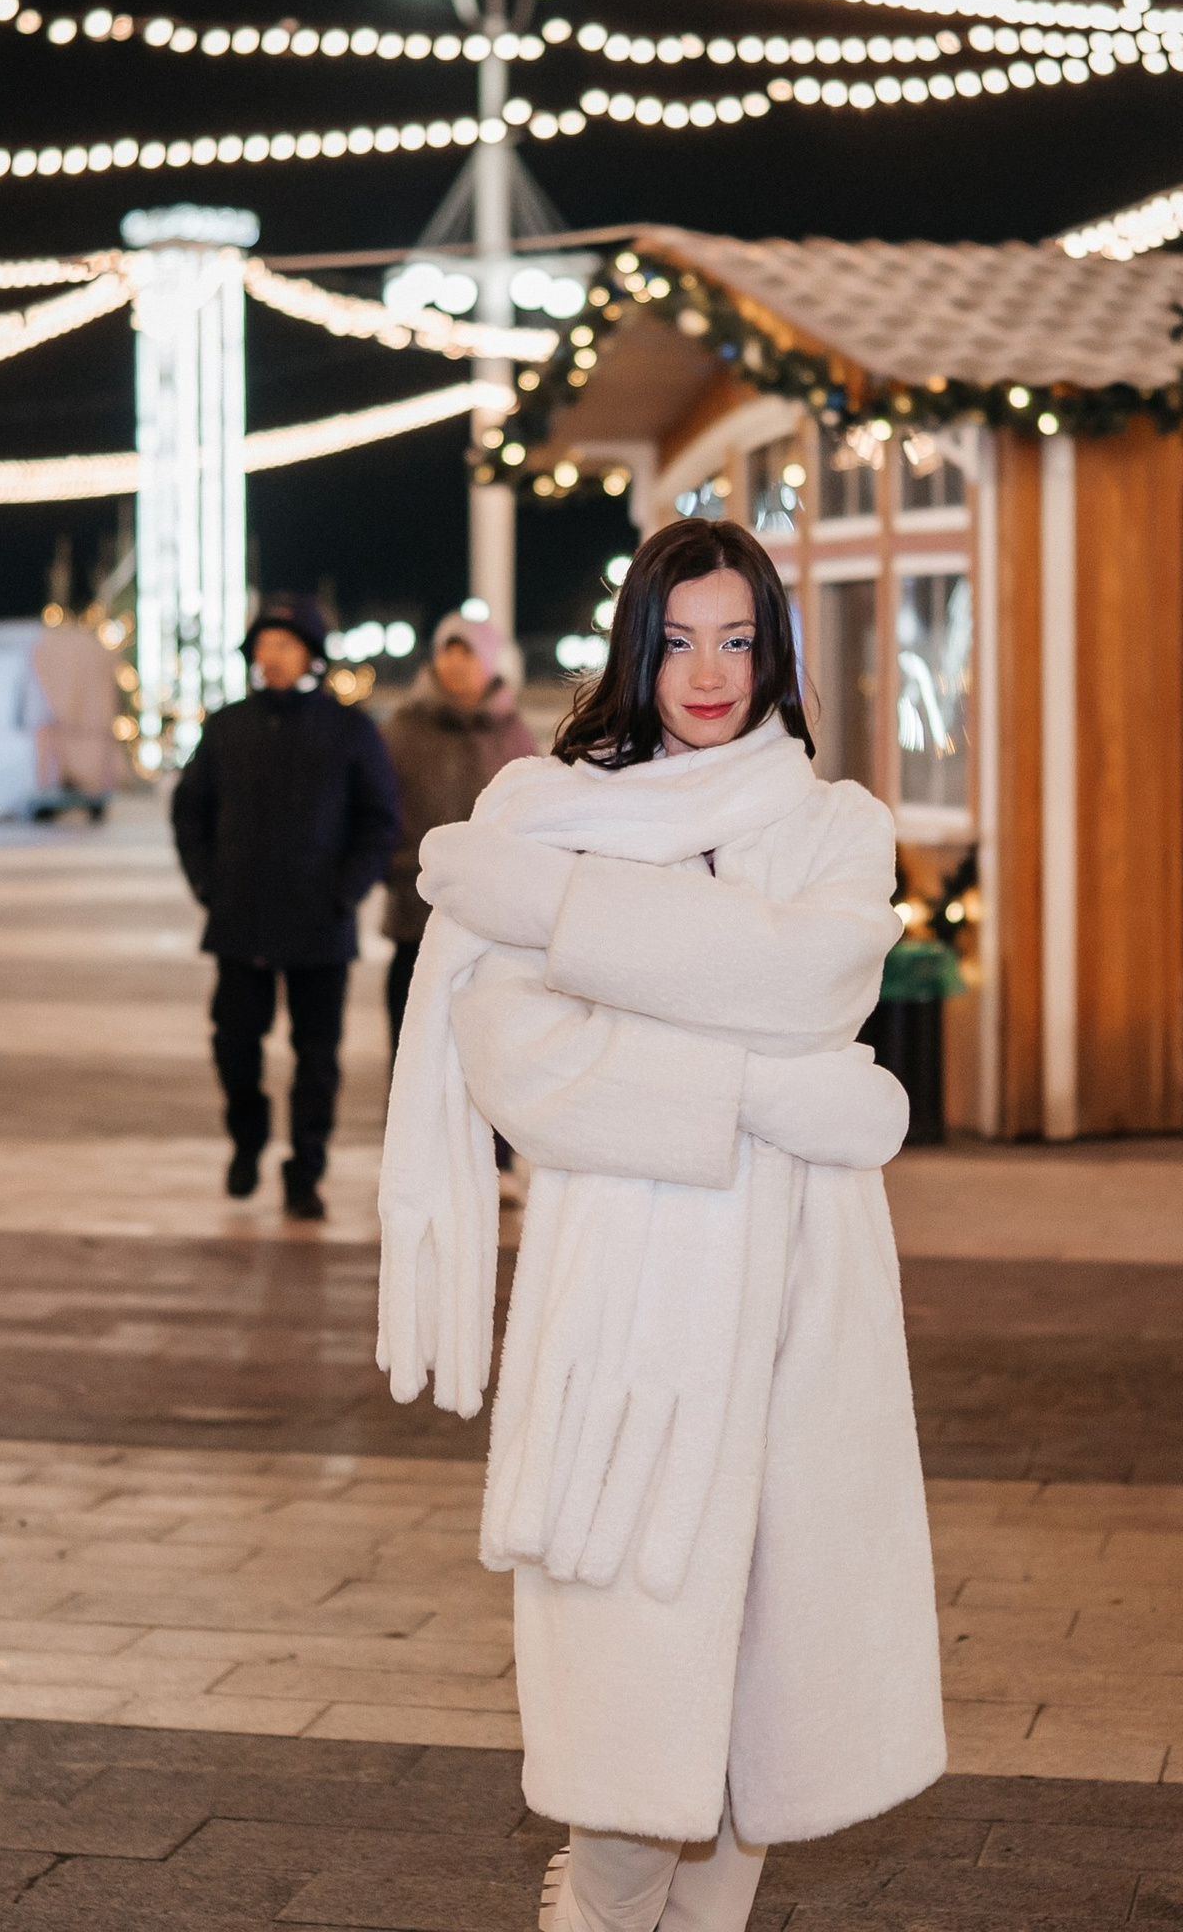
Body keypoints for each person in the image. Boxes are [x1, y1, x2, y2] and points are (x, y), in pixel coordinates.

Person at [379, 518, 941, 1932]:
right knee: (630, 1790)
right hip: (627, 1334)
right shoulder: (547, 814)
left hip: (804, 1321)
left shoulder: (833, 826)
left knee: (759, 1761)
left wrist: (576, 928)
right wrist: (767, 1090)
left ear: (776, 653)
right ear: (638, 644)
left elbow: (814, 981)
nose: (709, 671)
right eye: (680, 637)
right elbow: (523, 1067)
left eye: (738, 638)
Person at [171, 594, 398, 1223]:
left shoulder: (349, 729)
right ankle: (247, 1137)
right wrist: (207, 882)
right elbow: (190, 810)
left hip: (319, 921)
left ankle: (306, 1169)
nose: (273, 656)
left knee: (317, 1054)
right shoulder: (227, 726)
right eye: (264, 645)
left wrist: (345, 890)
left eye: (286, 644)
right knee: (235, 1043)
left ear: (311, 655)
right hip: (239, 917)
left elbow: (380, 820)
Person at [380, 612, 535, 1061]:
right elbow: (377, 803)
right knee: (412, 1037)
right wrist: (393, 863)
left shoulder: (512, 731)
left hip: (491, 912)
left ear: (489, 662)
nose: (454, 665)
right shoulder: (405, 727)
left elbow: (532, 810)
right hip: (415, 902)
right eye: (447, 653)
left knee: (480, 1039)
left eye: (466, 654)